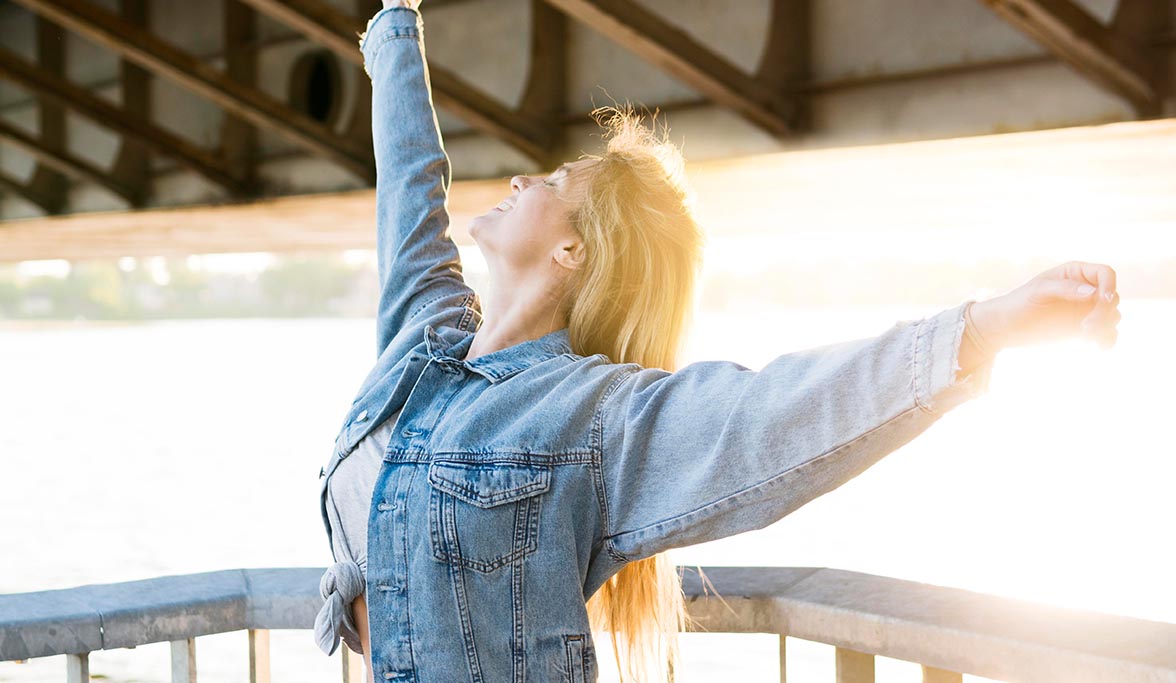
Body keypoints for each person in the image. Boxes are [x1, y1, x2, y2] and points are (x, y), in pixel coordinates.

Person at [312, 2, 1122, 682]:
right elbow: (409, 182)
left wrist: (985, 329)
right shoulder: (424, 341)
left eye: (553, 184)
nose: (523, 179)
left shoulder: (593, 416)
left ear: (572, 253)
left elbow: (778, 413)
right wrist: (394, 21)